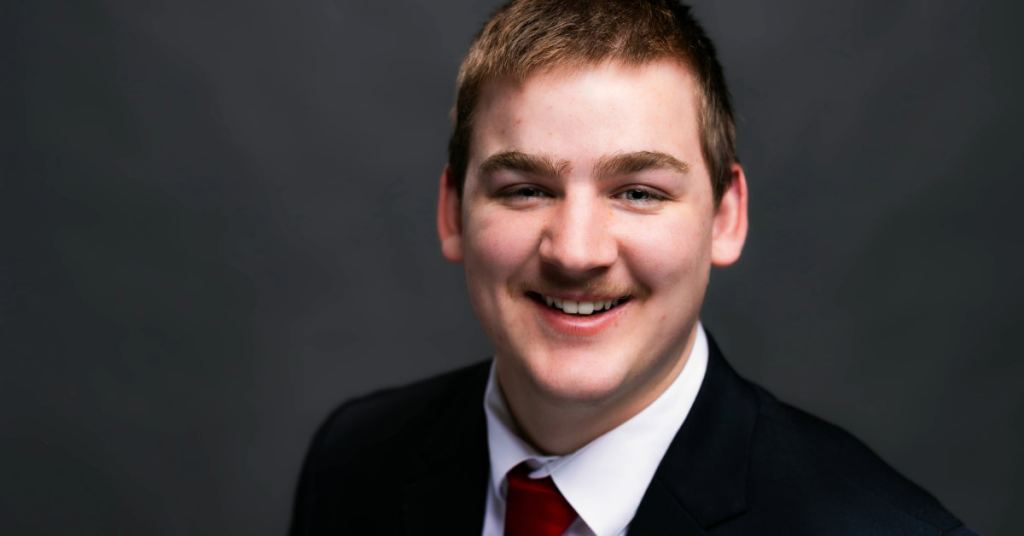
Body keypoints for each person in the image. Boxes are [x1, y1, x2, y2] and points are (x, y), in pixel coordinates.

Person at [290, 1, 974, 534]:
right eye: (525, 188)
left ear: (725, 217)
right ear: (452, 212)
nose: (577, 251)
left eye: (638, 192)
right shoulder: (355, 464)